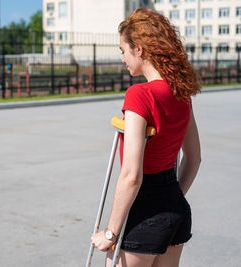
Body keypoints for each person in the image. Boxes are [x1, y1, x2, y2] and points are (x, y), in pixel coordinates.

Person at [91, 8, 201, 267]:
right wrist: (172, 200)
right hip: (175, 209)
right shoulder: (181, 95)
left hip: (143, 214)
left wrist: (110, 233)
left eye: (123, 51)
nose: (122, 59)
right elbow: (194, 159)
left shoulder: (139, 95)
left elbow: (131, 175)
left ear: (138, 49)